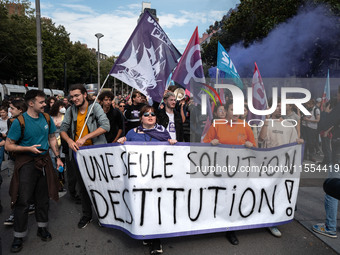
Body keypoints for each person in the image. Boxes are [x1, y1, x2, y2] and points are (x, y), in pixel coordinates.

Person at [5, 90, 63, 253]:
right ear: (31, 103)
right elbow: (9, 145)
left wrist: (57, 157)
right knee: (23, 200)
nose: (45, 104)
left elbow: (52, 137)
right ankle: (18, 236)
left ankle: (42, 228)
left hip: (44, 162)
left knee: (43, 198)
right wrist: (27, 148)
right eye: (42, 102)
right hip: (26, 163)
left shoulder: (46, 118)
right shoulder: (19, 122)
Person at [118, 105, 177, 255]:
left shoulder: (163, 132)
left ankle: (156, 240)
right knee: (142, 206)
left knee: (155, 207)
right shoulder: (131, 133)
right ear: (141, 118)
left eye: (152, 114)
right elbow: (124, 153)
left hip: (157, 177)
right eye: (146, 114)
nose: (150, 116)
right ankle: (145, 232)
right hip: (138, 177)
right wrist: (122, 142)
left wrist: (171, 144)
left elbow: (170, 152)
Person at [203, 101, 255, 245]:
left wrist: (251, 145)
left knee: (234, 197)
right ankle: (215, 223)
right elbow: (204, 145)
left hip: (238, 170)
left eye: (237, 109)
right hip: (220, 169)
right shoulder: (217, 125)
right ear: (226, 111)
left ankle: (230, 229)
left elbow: (255, 147)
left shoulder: (245, 126)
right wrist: (210, 143)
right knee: (219, 196)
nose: (235, 112)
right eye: (232, 109)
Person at [60, 84, 110, 229]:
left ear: (84, 94)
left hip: (95, 152)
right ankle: (87, 215)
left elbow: (106, 126)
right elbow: (63, 129)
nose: (74, 99)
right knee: (82, 186)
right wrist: (70, 141)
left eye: (77, 95)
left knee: (100, 184)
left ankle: (104, 215)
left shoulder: (95, 107)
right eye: (72, 96)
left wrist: (85, 137)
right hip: (78, 154)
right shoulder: (70, 110)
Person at [258, 102, 304, 237]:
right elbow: (261, 138)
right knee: (265, 192)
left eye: (280, 106)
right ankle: (261, 218)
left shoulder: (290, 125)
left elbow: (293, 144)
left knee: (278, 193)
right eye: (276, 106)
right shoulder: (267, 122)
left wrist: (299, 142)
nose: (278, 109)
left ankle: (273, 223)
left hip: (282, 165)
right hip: (267, 164)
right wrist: (266, 119)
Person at [49, 100, 67, 192]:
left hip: (63, 142)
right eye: (61, 106)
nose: (63, 108)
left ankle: (61, 181)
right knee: (54, 162)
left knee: (62, 162)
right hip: (53, 143)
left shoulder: (66, 116)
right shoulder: (50, 118)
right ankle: (57, 182)